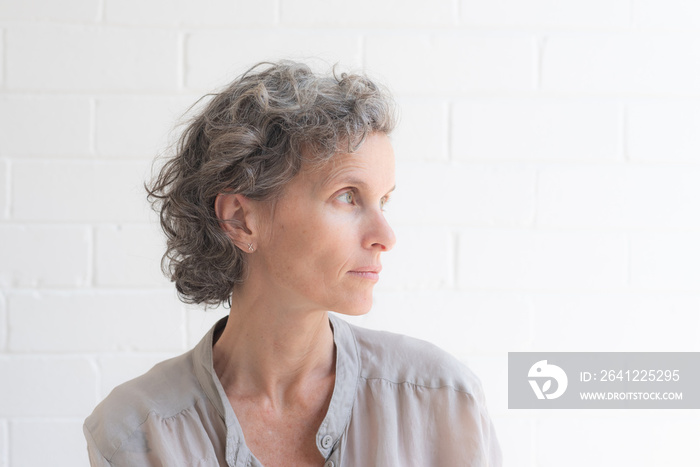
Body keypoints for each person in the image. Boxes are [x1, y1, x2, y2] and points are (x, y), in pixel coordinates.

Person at [83, 60, 502, 466]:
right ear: (240, 219)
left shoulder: (441, 400)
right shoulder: (137, 434)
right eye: (347, 196)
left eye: (384, 200)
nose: (385, 237)